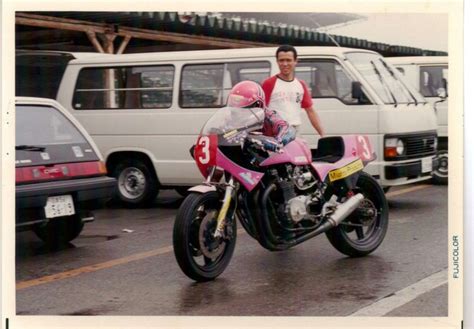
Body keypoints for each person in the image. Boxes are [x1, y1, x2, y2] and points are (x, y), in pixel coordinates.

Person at [261, 44, 324, 137]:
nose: (285, 64)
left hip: (295, 131)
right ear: (277, 62)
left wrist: (322, 134)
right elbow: (260, 110)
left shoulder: (301, 84)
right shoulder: (269, 83)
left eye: (288, 60)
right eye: (281, 60)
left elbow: (310, 111)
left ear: (295, 61)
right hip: (275, 133)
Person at [227, 80, 296, 151]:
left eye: (242, 109)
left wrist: (276, 142)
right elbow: (224, 133)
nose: (237, 112)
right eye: (234, 108)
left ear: (257, 105)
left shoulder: (269, 116)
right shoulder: (231, 119)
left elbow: (288, 130)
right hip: (242, 155)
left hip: (269, 156)